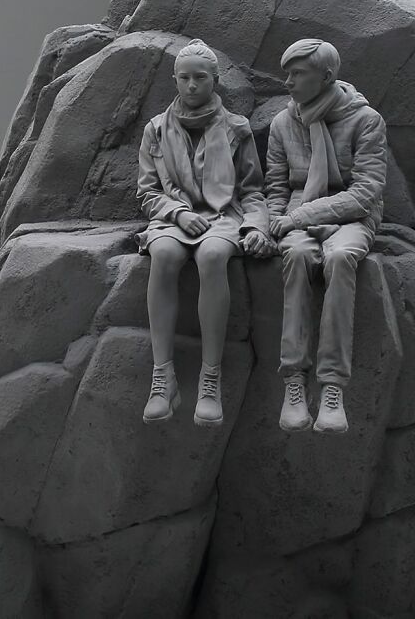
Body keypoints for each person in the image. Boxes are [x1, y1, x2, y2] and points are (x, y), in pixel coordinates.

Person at [137, 39, 270, 427]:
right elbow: (147, 191)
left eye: (200, 78)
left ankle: (210, 378)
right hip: (171, 219)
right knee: (163, 256)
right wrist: (177, 214)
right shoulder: (156, 130)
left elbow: (251, 191)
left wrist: (254, 227)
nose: (192, 85)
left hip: (222, 217)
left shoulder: (236, 128)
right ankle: (163, 377)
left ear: (215, 80)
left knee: (212, 256)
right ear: (174, 80)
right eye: (184, 78)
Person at [266, 39, 387, 433]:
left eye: (298, 73)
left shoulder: (365, 120)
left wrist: (302, 215)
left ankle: (332, 386)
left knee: (339, 258)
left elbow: (365, 192)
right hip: (295, 219)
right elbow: (275, 187)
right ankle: (295, 383)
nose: (288, 82)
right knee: (298, 256)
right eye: (288, 73)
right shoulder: (284, 123)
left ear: (327, 76)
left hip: (352, 217)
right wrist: (274, 223)